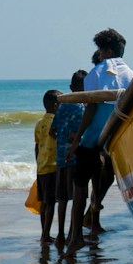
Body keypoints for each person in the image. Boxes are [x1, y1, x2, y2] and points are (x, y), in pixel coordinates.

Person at [61, 28, 133, 259]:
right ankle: (91, 222)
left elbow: (91, 107)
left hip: (92, 140)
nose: (99, 54)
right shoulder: (131, 75)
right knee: (103, 178)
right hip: (114, 142)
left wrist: (76, 142)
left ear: (107, 50)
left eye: (100, 50)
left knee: (80, 186)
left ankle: (76, 238)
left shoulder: (95, 73)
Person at [49, 69, 87, 241]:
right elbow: (76, 135)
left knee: (62, 199)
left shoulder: (62, 106)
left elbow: (52, 131)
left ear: (71, 87)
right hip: (74, 159)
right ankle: (73, 233)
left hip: (60, 159)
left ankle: (60, 234)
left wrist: (61, 143)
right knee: (76, 198)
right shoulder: (80, 108)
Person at [34, 90, 61, 243]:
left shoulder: (39, 123)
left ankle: (44, 232)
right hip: (53, 166)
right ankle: (45, 235)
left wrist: (37, 163)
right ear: (56, 105)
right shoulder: (56, 122)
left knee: (44, 202)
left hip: (41, 167)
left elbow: (37, 146)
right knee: (51, 203)